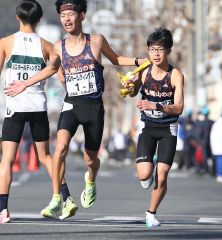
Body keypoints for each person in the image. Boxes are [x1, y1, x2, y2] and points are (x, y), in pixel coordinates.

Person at [5, 0, 145, 219]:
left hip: (94, 108)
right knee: (59, 149)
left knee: (91, 159)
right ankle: (55, 199)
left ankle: (91, 179)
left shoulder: (96, 41)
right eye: (63, 16)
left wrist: (139, 61)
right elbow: (51, 69)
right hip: (71, 104)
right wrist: (25, 83)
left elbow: (116, 58)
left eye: (71, 14)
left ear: (82, 16)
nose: (67, 19)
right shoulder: (58, 46)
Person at [0, 0, 75, 224]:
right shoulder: (47, 45)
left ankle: (3, 210)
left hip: (15, 107)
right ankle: (66, 197)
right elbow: (59, 74)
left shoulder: (5, 42)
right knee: (45, 157)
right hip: (38, 107)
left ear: (17, 17)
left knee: (7, 160)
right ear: (40, 20)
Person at [125, 27, 184, 228]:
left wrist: (156, 105)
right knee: (144, 174)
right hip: (147, 128)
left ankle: (151, 213)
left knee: (163, 174)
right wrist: (129, 87)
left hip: (168, 129)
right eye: (152, 49)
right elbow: (132, 93)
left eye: (160, 49)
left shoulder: (175, 75)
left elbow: (179, 108)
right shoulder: (144, 70)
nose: (155, 54)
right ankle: (149, 166)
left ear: (168, 51)